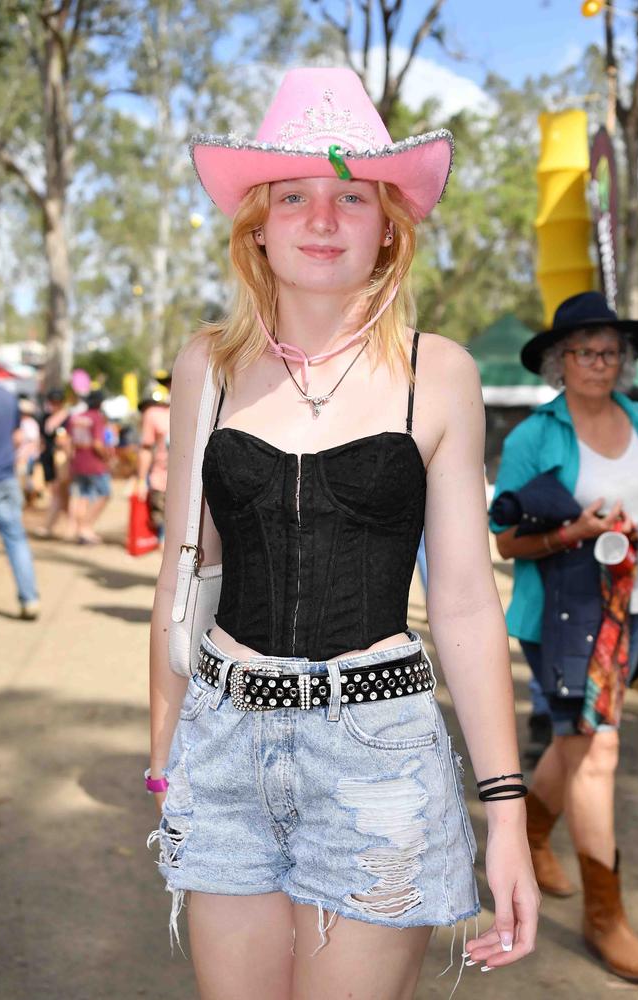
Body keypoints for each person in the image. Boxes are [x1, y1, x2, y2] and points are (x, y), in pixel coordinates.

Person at [147, 68, 539, 1000]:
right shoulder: (207, 362)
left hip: (377, 754)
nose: (321, 220)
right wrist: (164, 764)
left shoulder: (436, 374)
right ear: (259, 225)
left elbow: (466, 605)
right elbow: (182, 571)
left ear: (388, 225)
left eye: (349, 197)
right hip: (222, 742)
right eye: (294, 196)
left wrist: (508, 816)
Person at [491, 291, 638, 982]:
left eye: (611, 351)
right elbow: (506, 541)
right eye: (585, 350)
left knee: (574, 743)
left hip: (632, 612)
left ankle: (526, 833)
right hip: (562, 616)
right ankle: (605, 915)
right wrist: (570, 533)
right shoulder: (533, 437)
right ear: (560, 361)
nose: (600, 362)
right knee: (598, 751)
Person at [0, 382, 40, 619]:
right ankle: (29, 599)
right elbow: (17, 437)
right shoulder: (7, 397)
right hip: (3, 478)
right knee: (15, 539)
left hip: (2, 477)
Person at [65, 389, 112, 544]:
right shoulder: (96, 418)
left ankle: (80, 530)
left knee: (83, 496)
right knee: (105, 494)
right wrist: (106, 457)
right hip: (94, 464)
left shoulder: (76, 417)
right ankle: (85, 528)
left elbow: (68, 442)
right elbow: (97, 444)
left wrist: (70, 461)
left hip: (78, 462)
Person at [136, 373, 171, 546]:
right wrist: (141, 480)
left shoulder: (198, 409)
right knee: (161, 521)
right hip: (161, 479)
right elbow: (146, 448)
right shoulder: (153, 414)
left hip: (193, 482)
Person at [35, 388, 71, 538]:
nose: (54, 405)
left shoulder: (68, 418)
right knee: (60, 494)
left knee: (59, 492)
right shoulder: (45, 418)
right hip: (49, 459)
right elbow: (42, 439)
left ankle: (50, 526)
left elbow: (66, 441)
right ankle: (71, 524)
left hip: (61, 460)